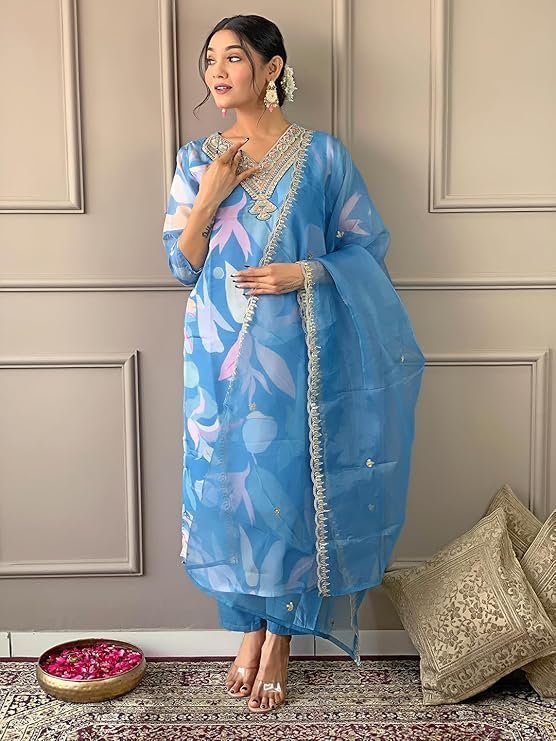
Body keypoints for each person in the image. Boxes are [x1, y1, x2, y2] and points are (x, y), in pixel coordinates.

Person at [162, 14, 426, 714]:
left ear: (272, 67)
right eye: (210, 59)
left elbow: (367, 247)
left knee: (286, 486)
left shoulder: (324, 158)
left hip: (298, 353)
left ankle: (280, 635)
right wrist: (211, 191)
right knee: (227, 488)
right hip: (215, 355)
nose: (217, 71)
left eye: (234, 57)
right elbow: (180, 265)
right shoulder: (196, 158)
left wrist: (304, 272)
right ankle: (247, 627)